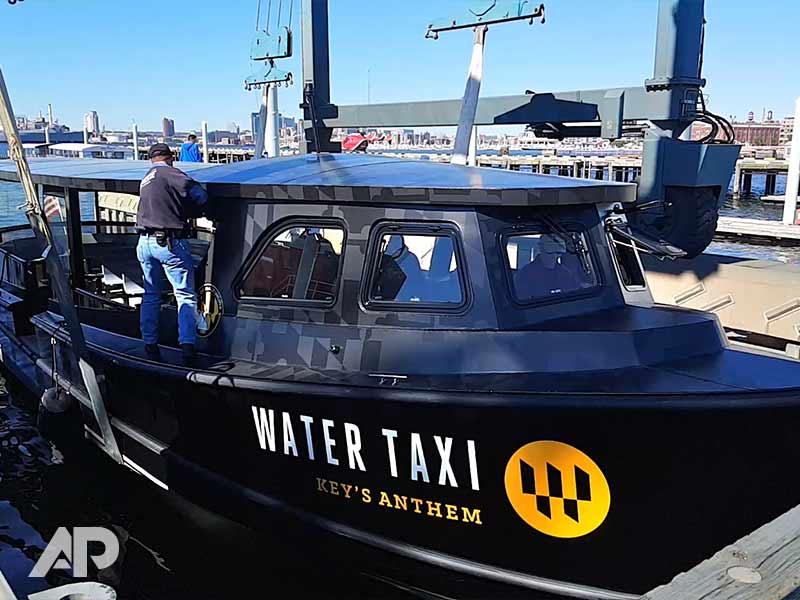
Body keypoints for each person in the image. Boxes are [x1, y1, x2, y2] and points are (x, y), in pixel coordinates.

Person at [137, 143, 209, 360]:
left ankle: (149, 343)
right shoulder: (171, 173)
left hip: (144, 242)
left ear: (151, 159)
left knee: (151, 295)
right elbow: (199, 194)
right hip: (169, 242)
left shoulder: (146, 179)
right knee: (185, 295)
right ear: (170, 158)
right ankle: (187, 345)